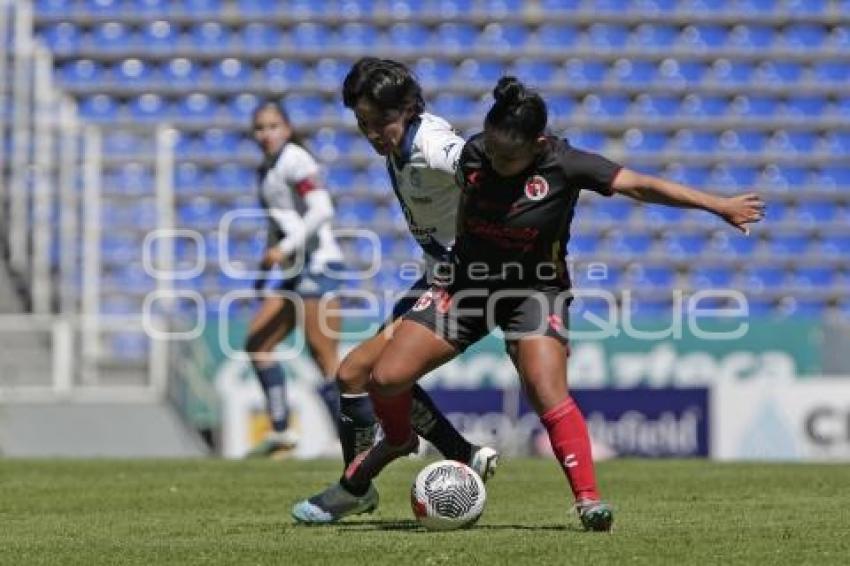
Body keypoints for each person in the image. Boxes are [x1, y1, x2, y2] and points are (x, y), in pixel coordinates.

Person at [340, 77, 766, 531]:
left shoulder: (567, 164)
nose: (497, 162)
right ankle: (400, 440)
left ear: (538, 144)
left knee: (546, 389)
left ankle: (588, 501)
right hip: (468, 286)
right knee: (386, 377)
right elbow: (460, 200)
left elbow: (640, 185)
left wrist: (717, 205)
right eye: (492, 152)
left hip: (534, 292)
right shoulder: (475, 154)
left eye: (509, 157)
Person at [291, 58, 499, 523]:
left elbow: (476, 164)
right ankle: (454, 455)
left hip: (466, 280)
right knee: (351, 376)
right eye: (363, 123)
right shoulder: (398, 146)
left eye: (381, 121)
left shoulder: (429, 143)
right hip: (438, 274)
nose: (372, 132)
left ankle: (358, 485)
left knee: (375, 374)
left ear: (407, 108)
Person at [244, 99, 346, 458]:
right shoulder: (266, 171)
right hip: (292, 270)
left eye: (273, 126)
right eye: (260, 128)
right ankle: (283, 432)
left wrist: (284, 248)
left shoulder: (296, 160)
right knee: (258, 344)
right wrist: (266, 268)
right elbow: (279, 223)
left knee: (324, 358)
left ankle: (351, 440)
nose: (266, 134)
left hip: (318, 265)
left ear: (286, 129)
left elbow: (322, 210)